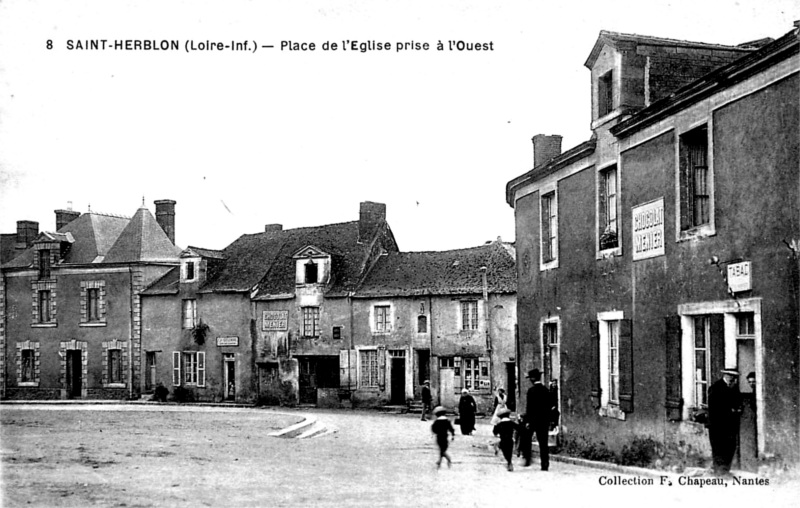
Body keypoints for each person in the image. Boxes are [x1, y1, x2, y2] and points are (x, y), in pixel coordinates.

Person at [707, 368, 743, 476]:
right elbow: (714, 408)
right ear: (726, 375)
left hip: (730, 425)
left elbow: (738, 402)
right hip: (717, 425)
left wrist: (738, 409)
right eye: (731, 376)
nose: (732, 379)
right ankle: (719, 471)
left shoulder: (734, 388)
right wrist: (730, 410)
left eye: (734, 377)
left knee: (730, 447)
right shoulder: (716, 388)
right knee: (719, 448)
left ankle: (725, 470)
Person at [522, 368, 551, 470]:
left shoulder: (531, 391)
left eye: (530, 378)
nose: (530, 380)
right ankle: (545, 464)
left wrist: (528, 421)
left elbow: (529, 408)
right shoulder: (546, 390)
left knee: (526, 438)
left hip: (533, 420)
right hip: (544, 421)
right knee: (544, 443)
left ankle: (527, 458)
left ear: (533, 378)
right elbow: (549, 407)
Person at [493, 407, 518, 471]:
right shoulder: (511, 423)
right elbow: (519, 428)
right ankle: (509, 462)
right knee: (509, 452)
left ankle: (508, 462)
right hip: (510, 440)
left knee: (505, 452)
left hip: (503, 440)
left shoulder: (499, 424)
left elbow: (495, 432)